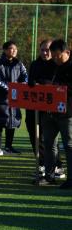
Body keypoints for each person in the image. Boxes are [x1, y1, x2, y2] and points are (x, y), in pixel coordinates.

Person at [27, 39, 63, 180]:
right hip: (34, 106)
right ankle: (41, 163)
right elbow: (30, 81)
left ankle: (57, 165)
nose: (45, 52)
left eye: (47, 50)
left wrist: (41, 83)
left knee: (50, 139)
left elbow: (55, 83)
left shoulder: (57, 65)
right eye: (42, 49)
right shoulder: (35, 64)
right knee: (35, 136)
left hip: (50, 107)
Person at [38, 39, 72, 188]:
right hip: (50, 112)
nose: (56, 58)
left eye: (58, 56)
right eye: (54, 55)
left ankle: (71, 179)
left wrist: (57, 86)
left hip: (67, 113)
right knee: (49, 144)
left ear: (67, 53)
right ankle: (49, 176)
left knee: (69, 146)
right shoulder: (51, 66)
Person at [0, 40, 28, 156]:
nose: (14, 51)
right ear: (5, 50)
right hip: (0, 99)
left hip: (14, 99)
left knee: (12, 121)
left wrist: (19, 88)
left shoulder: (19, 64)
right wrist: (11, 89)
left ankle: (9, 147)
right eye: (11, 48)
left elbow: (25, 77)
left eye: (15, 49)